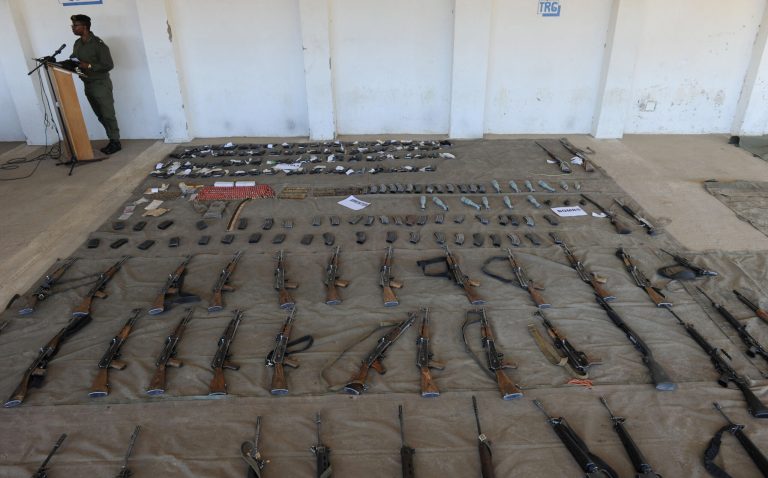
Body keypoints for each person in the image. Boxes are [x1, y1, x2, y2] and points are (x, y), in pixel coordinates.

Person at [69, 14, 121, 155]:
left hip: (100, 84)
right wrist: (72, 65)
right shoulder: (78, 43)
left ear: (84, 27)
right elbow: (77, 60)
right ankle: (112, 138)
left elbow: (108, 65)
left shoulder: (99, 45)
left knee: (108, 114)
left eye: (75, 25)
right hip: (88, 83)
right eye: (72, 25)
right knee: (100, 115)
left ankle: (115, 141)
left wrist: (90, 65)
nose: (72, 28)